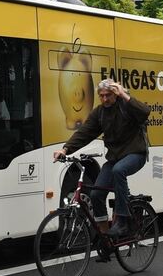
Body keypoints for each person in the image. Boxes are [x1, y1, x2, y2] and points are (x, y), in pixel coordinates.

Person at [53, 78, 150, 238]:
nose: (105, 99)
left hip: (135, 154)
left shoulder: (126, 106)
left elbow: (145, 111)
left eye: (108, 95)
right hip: (115, 158)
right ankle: (105, 237)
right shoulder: (99, 113)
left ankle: (123, 222)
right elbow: (85, 132)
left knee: (119, 170)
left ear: (115, 94)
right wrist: (65, 149)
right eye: (102, 95)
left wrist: (124, 94)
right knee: (96, 195)